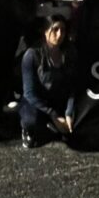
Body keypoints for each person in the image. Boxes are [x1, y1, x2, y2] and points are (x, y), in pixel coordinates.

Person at [20, 14, 76, 148]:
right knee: (31, 120)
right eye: (55, 29)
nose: (59, 34)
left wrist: (69, 113)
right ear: (45, 31)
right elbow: (29, 93)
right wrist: (53, 115)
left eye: (62, 29)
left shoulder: (69, 52)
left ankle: (56, 128)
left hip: (59, 99)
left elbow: (73, 86)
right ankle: (30, 130)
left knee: (78, 119)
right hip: (38, 101)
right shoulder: (32, 54)